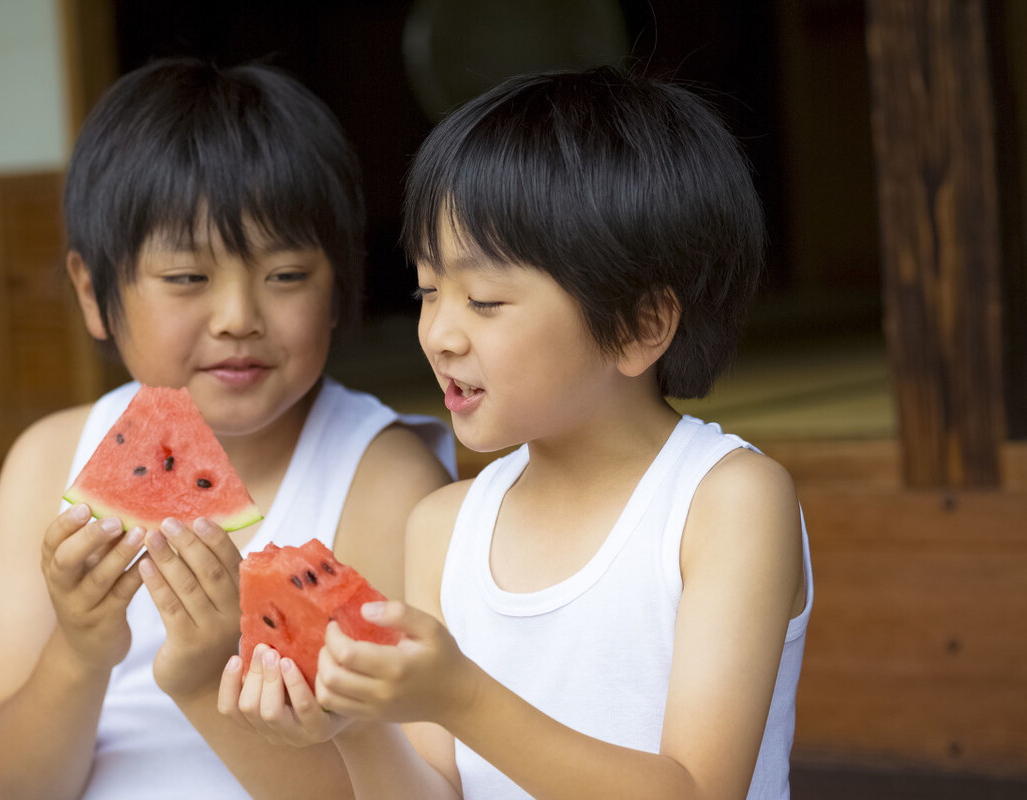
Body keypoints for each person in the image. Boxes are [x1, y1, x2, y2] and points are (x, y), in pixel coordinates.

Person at [220, 65, 813, 800]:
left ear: (639, 326)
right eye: (428, 291)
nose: (439, 334)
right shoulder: (442, 527)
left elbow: (696, 791)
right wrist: (358, 726)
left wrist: (459, 695)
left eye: (485, 300)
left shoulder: (724, 503)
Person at [0, 57, 456, 800]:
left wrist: (204, 676)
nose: (238, 318)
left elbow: (400, 789)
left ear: (337, 289)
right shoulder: (47, 462)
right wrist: (79, 652)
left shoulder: (389, 482)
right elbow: (10, 788)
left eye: (285, 276)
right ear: (93, 293)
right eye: (187, 279)